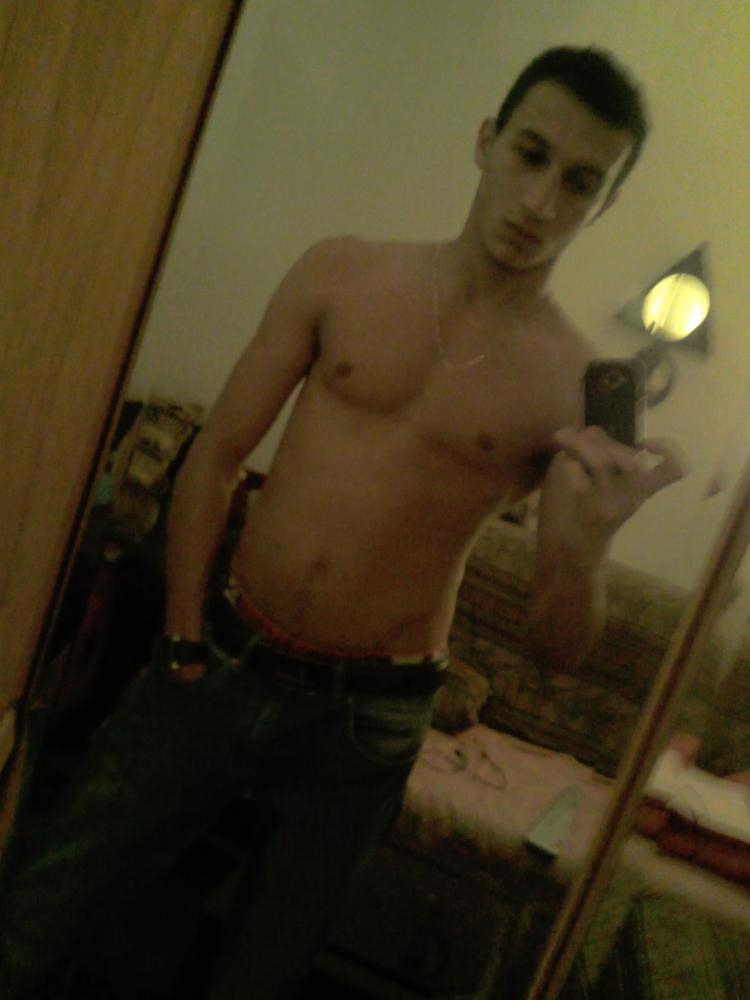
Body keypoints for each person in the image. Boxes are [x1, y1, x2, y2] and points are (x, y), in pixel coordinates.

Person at [0, 46, 686, 999]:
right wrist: (183, 638)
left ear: (601, 205)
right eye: (531, 154)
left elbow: (559, 648)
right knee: (43, 910)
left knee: (262, 975)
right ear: (486, 141)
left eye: (579, 182)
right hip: (221, 653)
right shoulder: (342, 273)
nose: (540, 201)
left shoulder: (573, 387)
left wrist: (589, 547)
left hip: (369, 719)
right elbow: (218, 453)